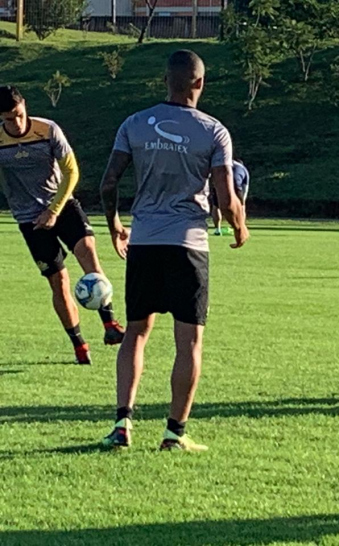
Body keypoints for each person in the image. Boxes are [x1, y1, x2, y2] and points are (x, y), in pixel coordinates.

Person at [99, 50, 249, 451]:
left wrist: (114, 223)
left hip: (144, 242)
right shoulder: (214, 131)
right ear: (199, 83)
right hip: (189, 246)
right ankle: (173, 433)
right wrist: (239, 224)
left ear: (165, 81)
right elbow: (225, 193)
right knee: (189, 343)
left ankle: (122, 425)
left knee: (136, 334)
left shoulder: (134, 124)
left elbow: (109, 182)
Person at [0, 86, 125, 365]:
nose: (16, 123)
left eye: (19, 115)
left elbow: (71, 171)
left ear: (25, 106)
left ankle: (110, 325)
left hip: (63, 204)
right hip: (28, 218)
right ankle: (79, 344)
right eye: (9, 119)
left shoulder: (48, 130)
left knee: (88, 253)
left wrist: (54, 210)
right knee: (59, 281)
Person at [210, 159, 249, 235]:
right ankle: (241, 228)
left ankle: (217, 229)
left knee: (216, 206)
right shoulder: (243, 169)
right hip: (236, 182)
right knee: (241, 207)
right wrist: (242, 202)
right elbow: (245, 187)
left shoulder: (222, 163)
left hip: (221, 181)